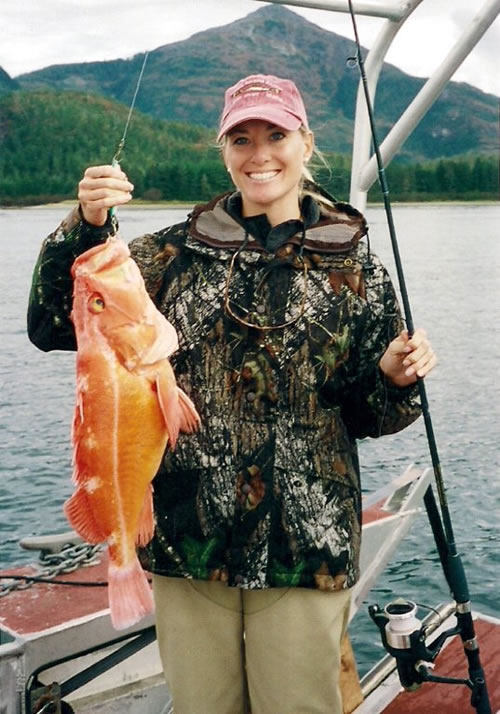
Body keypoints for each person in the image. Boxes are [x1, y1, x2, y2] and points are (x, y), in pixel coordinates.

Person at [27, 74, 436, 714]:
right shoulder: (166, 256)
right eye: (241, 139)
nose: (259, 154)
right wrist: (86, 224)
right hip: (188, 542)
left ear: (305, 143)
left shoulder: (358, 269)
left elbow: (367, 414)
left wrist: (393, 377)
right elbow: (55, 323)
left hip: (306, 546)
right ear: (223, 150)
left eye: (276, 135)